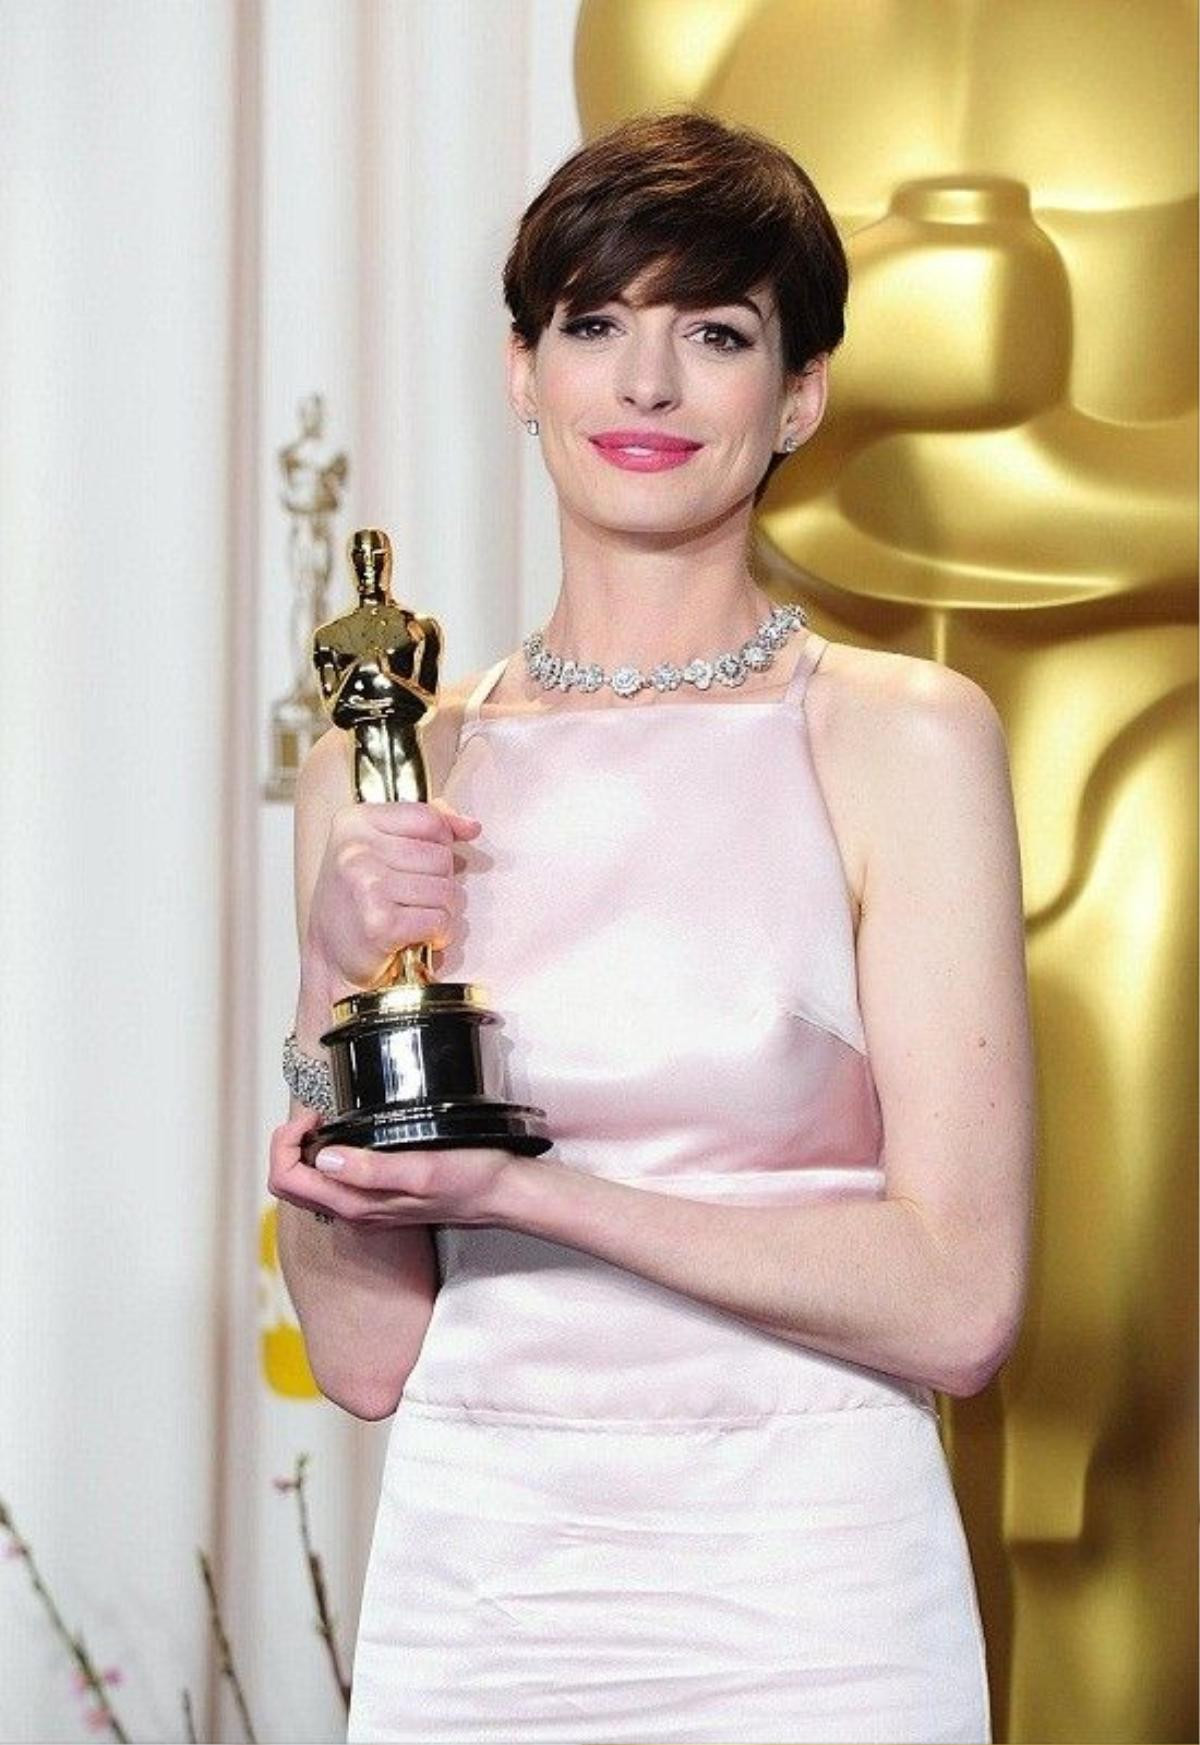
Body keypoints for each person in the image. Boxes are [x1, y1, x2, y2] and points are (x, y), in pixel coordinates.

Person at [268, 111, 1035, 1745]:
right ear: (521, 371)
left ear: (799, 395)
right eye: (595, 324)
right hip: (481, 1592)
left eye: (715, 333)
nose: (646, 386)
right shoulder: (391, 758)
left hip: (811, 1592)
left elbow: (961, 1303)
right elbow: (363, 1356)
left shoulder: (904, 734)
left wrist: (533, 1192)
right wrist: (340, 970)